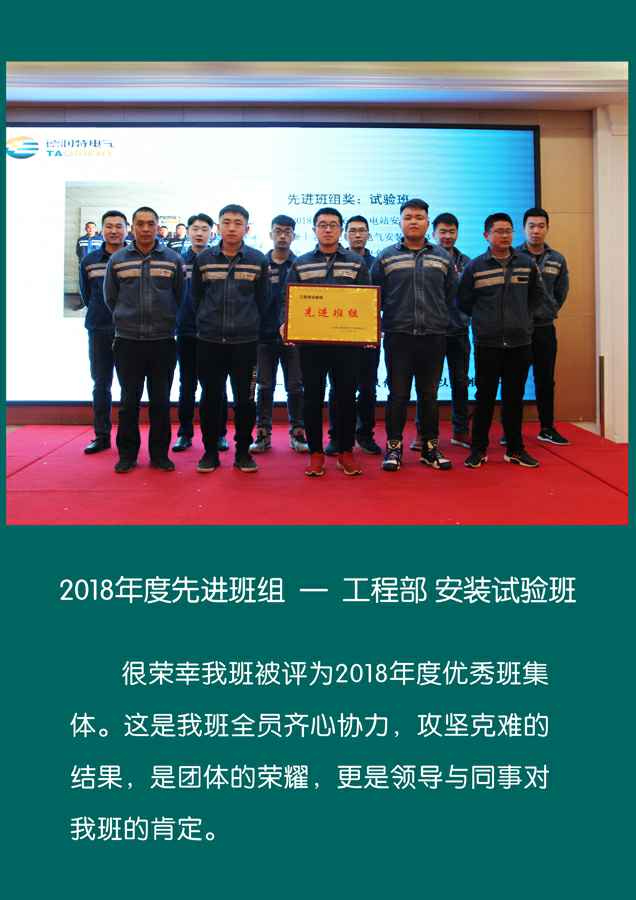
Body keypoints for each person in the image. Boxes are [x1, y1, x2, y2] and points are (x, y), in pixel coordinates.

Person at [372, 198, 457, 473]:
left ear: (427, 222)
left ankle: (430, 448)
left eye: (419, 217)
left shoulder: (442, 257)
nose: (413, 222)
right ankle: (394, 448)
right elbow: (374, 297)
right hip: (398, 336)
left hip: (433, 336)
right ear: (400, 222)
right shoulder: (386, 257)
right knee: (397, 395)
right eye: (408, 217)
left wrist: (440, 320)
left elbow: (450, 295)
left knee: (429, 394)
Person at [285, 207, 372, 477]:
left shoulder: (356, 263)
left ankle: (346, 451)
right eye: (322, 225)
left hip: (347, 345)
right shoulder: (301, 263)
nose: (327, 229)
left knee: (346, 397)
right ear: (314, 230)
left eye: (333, 225)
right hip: (312, 345)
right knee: (312, 398)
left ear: (340, 230)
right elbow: (289, 301)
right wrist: (287, 325)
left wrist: (368, 330)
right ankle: (316, 453)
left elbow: (367, 300)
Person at [458, 212, 543, 469]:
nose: (505, 235)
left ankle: (515, 449)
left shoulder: (526, 264)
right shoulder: (475, 267)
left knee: (514, 398)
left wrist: (523, 321)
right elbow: (464, 301)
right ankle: (478, 449)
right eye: (499, 231)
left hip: (519, 343)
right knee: (484, 398)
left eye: (508, 231)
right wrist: (484, 322)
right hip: (488, 343)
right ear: (487, 235)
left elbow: (536, 297)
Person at [104, 206, 185, 473]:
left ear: (158, 226)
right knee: (129, 402)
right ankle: (127, 455)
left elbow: (180, 296)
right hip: (128, 342)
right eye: (140, 223)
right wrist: (126, 319)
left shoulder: (173, 259)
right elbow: (110, 298)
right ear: (132, 227)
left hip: (163, 342)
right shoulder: (118, 260)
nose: (146, 228)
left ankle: (159, 455)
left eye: (151, 223)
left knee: (161, 402)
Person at [191, 204, 269, 473]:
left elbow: (263, 301)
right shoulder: (204, 260)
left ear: (247, 228)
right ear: (218, 227)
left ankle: (243, 452)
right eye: (226, 222)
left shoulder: (258, 260)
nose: (232, 227)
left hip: (245, 344)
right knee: (210, 398)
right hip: (209, 342)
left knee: (245, 400)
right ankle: (210, 452)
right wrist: (207, 322)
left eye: (238, 223)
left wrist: (250, 325)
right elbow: (196, 298)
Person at [411, 212, 472, 451]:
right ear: (433, 233)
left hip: (458, 331)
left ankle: (460, 430)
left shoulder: (467, 262)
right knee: (428, 385)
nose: (447, 236)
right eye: (442, 232)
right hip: (431, 331)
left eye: (451, 232)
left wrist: (465, 317)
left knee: (460, 382)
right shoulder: (425, 259)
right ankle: (423, 433)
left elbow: (470, 296)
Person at [171, 213, 230, 454]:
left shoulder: (219, 261)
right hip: (186, 331)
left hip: (215, 333)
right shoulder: (178, 261)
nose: (199, 233)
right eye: (195, 229)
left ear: (211, 232)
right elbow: (172, 295)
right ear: (188, 231)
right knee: (187, 385)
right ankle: (185, 433)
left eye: (204, 229)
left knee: (217, 385)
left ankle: (219, 433)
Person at [250, 214, 308, 454]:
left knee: (295, 386)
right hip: (263, 337)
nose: (282, 236)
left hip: (294, 338)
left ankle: (298, 432)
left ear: (294, 235)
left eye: (287, 232)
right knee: (264, 386)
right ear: (270, 234)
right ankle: (263, 433)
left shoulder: (301, 265)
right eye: (278, 231)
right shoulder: (259, 264)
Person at [325, 214, 381, 456]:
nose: (358, 234)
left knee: (368, 388)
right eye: (353, 230)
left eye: (362, 230)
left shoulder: (378, 263)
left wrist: (371, 330)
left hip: (367, 336)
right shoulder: (336, 261)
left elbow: (380, 299)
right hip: (339, 336)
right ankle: (336, 436)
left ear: (369, 234)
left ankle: (365, 434)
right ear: (345, 234)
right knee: (338, 388)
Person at [517, 206, 570, 445]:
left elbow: (561, 291)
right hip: (518, 328)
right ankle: (511, 431)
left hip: (545, 328)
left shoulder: (557, 259)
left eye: (541, 226)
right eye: (531, 226)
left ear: (547, 228)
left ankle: (547, 428)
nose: (536, 231)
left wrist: (549, 309)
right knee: (514, 380)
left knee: (545, 379)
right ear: (524, 229)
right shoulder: (513, 257)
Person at [78, 210, 127, 454]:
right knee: (101, 383)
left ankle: (127, 439)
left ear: (126, 230)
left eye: (119, 226)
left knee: (130, 387)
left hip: (129, 331)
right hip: (99, 329)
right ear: (102, 229)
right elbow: (86, 295)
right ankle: (101, 435)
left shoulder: (135, 258)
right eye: (109, 226)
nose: (114, 231)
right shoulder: (89, 260)